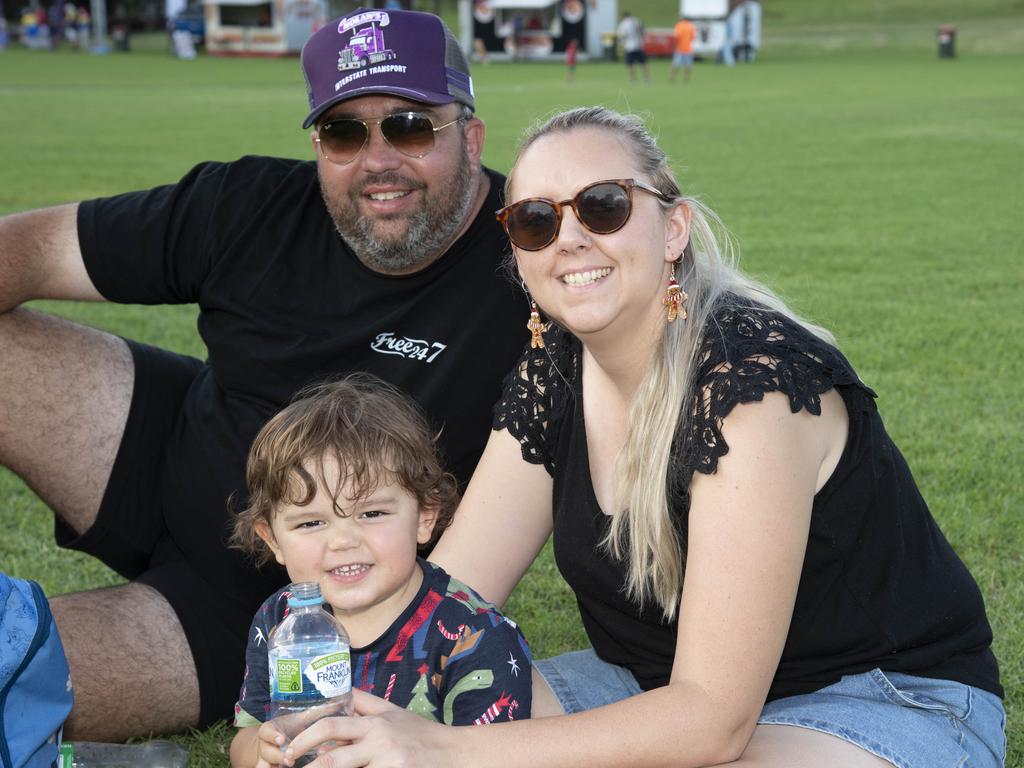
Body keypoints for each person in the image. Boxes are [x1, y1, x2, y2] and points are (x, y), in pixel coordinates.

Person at [282, 106, 1006, 767]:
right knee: (414, 704)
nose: (568, 239)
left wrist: (445, 751)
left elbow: (713, 722)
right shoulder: (554, 376)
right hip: (647, 688)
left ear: (673, 228)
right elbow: (437, 609)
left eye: (603, 207)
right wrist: (286, 727)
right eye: (536, 220)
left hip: (875, 701)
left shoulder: (753, 386)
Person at [0, 8, 527, 741]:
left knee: (7, 683)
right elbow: (30, 249)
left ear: (469, 136)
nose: (378, 160)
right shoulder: (250, 205)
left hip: (281, 608)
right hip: (163, 451)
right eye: (345, 132)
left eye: (409, 126)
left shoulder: (530, 268)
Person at [228, 375, 531, 767]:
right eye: (310, 523)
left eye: (372, 514)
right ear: (272, 540)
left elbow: (494, 757)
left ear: (425, 516)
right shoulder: (279, 621)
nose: (343, 541)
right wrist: (263, 749)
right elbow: (245, 741)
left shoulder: (474, 637)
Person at [616, 11, 649, 83]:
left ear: (623, 17)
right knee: (643, 62)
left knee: (630, 63)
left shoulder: (623, 24)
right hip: (639, 45)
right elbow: (643, 31)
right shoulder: (636, 21)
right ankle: (646, 78)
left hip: (629, 46)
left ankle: (633, 79)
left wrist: (622, 42)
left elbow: (622, 35)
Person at [670, 14, 696, 83]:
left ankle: (673, 77)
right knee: (688, 64)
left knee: (676, 64)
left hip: (679, 48)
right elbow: (692, 37)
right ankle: (686, 78)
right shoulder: (691, 26)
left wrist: (674, 46)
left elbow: (676, 37)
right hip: (688, 48)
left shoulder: (679, 25)